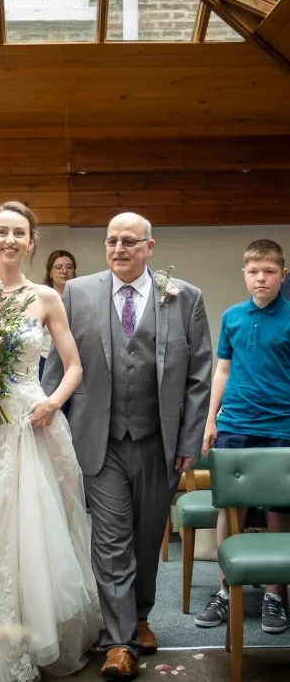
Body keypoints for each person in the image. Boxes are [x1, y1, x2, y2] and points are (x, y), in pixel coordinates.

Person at [43, 212, 212, 679]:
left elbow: (199, 376)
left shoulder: (185, 298)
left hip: (161, 442)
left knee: (146, 536)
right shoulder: (77, 294)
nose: (119, 249)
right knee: (112, 539)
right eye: (111, 241)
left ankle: (139, 617)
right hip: (100, 440)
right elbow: (59, 363)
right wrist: (45, 416)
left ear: (149, 247)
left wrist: (189, 442)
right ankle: (119, 643)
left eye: (129, 242)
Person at [0, 201, 102, 682]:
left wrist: (52, 402)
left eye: (20, 233)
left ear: (32, 242)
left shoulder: (47, 298)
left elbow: (74, 366)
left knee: (32, 530)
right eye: (2, 231)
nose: (10, 240)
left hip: (31, 424)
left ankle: (35, 638)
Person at [195, 239, 290, 635]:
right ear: (245, 274)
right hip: (235, 423)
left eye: (269, 271)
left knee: (277, 509)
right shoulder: (233, 316)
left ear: (282, 275)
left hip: (281, 426)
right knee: (228, 509)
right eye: (254, 271)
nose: (261, 278)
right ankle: (225, 586)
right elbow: (222, 371)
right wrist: (211, 418)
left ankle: (273, 594)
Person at [39, 249, 77, 378]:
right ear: (50, 272)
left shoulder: (83, 298)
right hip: (45, 360)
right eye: (58, 267)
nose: (64, 271)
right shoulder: (41, 298)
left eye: (69, 267)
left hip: (75, 361)